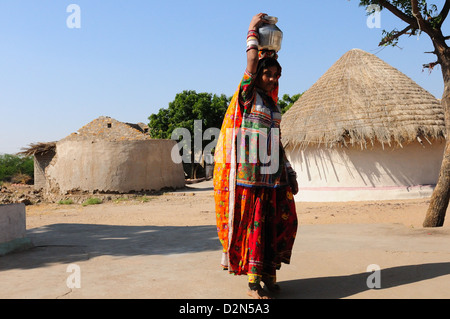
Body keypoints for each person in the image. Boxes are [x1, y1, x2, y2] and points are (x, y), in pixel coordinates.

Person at [213, 13, 298, 299]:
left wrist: (290, 172)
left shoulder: (273, 106)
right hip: (251, 177)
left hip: (273, 177)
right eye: (268, 73)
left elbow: (278, 142)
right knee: (256, 226)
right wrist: (252, 30)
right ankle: (253, 284)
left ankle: (269, 275)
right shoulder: (248, 95)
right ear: (258, 74)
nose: (272, 78)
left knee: (278, 224)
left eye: (276, 75)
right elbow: (250, 63)